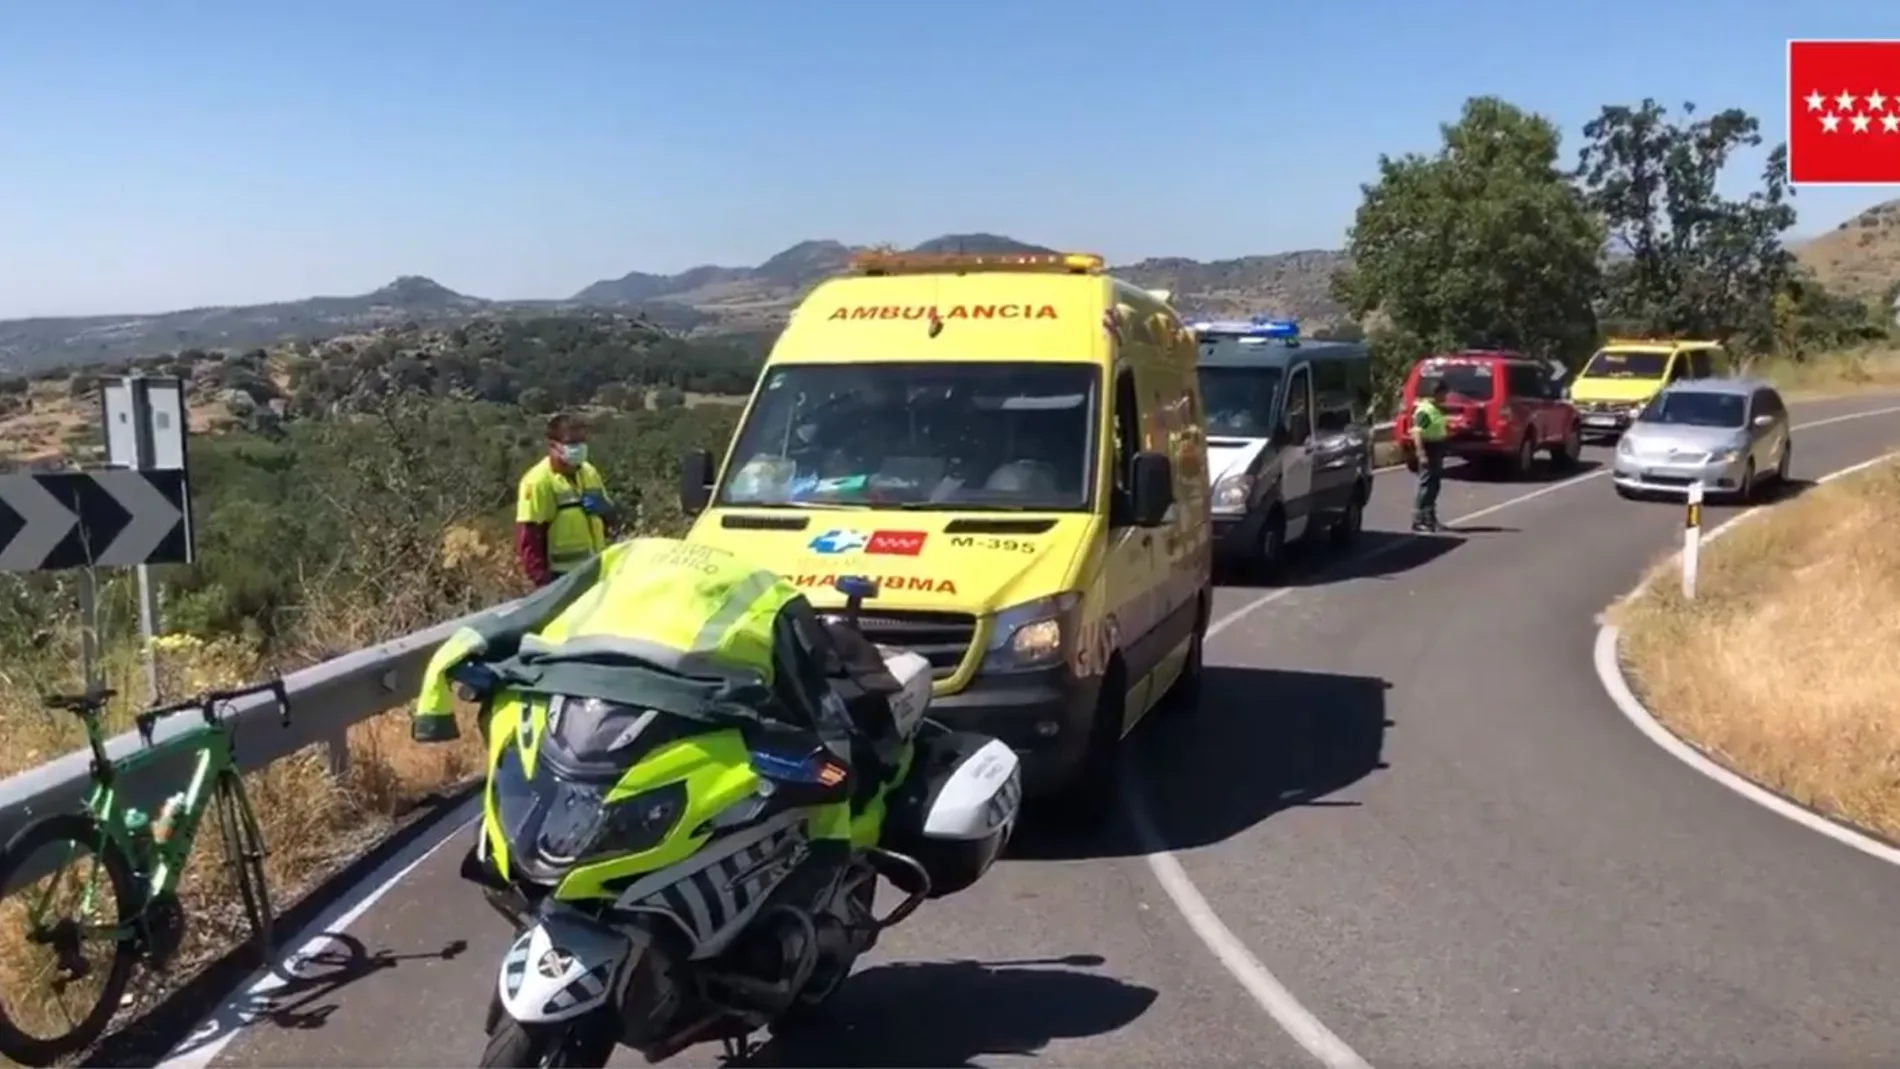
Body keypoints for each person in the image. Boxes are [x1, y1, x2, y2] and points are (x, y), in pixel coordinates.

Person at [408, 537, 907, 897]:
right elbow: (821, 711)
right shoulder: (638, 565)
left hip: (687, 718)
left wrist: (834, 835)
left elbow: (825, 714)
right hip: (599, 704)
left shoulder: (630, 560)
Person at [515, 412, 631, 586]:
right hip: (562, 578)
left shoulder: (589, 472)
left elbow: (611, 520)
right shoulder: (538, 481)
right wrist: (546, 587)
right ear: (553, 445)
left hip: (596, 570)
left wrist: (606, 509)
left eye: (582, 442)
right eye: (572, 443)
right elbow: (530, 541)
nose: (580, 448)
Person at [1410, 379, 1451, 532]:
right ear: (1437, 393)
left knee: (1434, 485)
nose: (1446, 396)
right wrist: (1421, 454)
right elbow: (1417, 433)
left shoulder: (1436, 408)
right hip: (1428, 448)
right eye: (1444, 393)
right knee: (1426, 485)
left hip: (1437, 448)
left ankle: (1430, 518)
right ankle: (1418, 519)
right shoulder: (1424, 410)